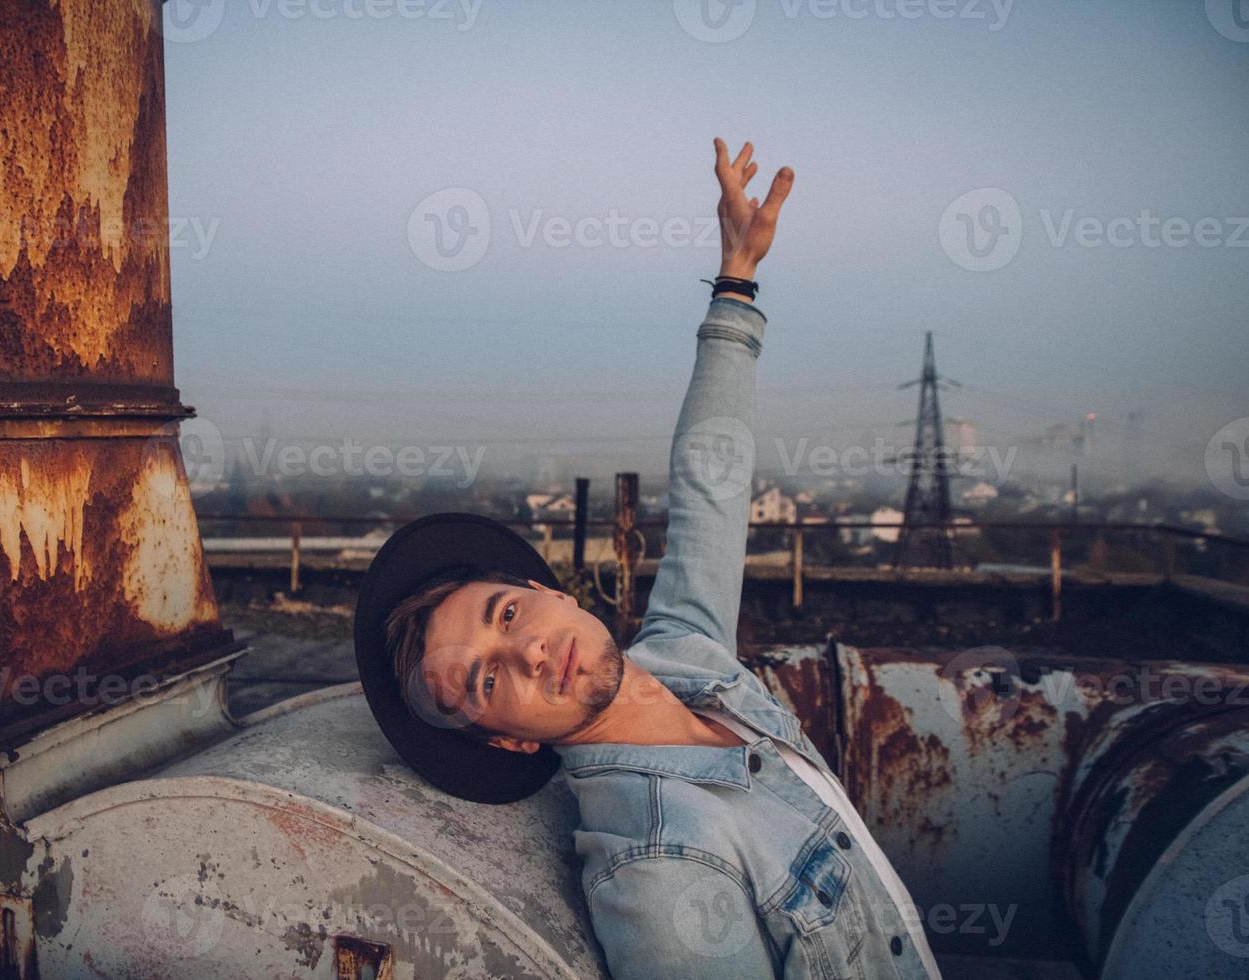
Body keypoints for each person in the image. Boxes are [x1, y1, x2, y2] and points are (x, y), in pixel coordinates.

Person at [353, 138, 943, 979]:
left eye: (506, 616)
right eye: (488, 682)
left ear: (537, 589)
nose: (524, 652)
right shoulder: (660, 872)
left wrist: (735, 277)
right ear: (511, 745)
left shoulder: (685, 659)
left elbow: (711, 491)